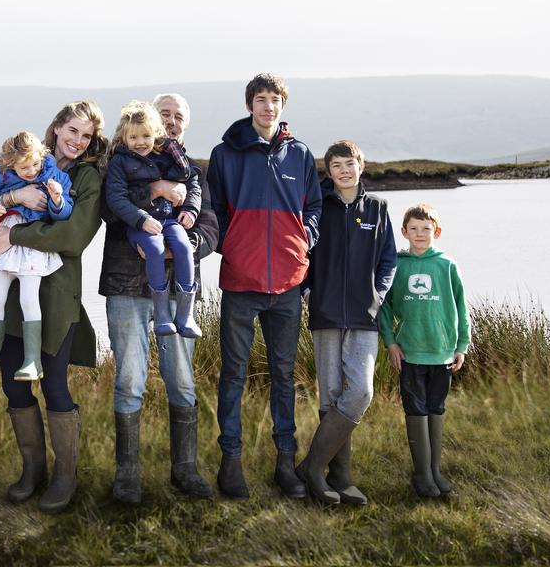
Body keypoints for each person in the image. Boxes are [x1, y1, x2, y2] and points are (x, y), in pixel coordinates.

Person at [207, 73, 322, 499]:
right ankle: (230, 461)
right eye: (260, 99)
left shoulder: (301, 154)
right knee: (233, 374)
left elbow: (313, 207)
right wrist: (230, 246)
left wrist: (305, 240)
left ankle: (285, 463)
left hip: (289, 284)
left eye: (275, 100)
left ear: (282, 107)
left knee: (283, 374)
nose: (268, 107)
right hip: (241, 280)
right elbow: (214, 211)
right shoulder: (224, 154)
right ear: (249, 105)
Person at [99, 92, 218, 504]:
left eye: (177, 115)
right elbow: (110, 209)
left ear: (186, 123)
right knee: (130, 379)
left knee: (182, 381)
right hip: (127, 287)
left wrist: (186, 241)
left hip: (177, 288)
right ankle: (127, 476)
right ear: (149, 120)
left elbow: (210, 229)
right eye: (162, 113)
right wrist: (155, 189)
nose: (170, 120)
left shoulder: (192, 171)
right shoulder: (121, 159)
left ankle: (186, 470)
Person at [0, 100, 106, 513]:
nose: (77, 141)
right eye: (71, 131)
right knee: (13, 382)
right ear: (56, 128)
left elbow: (74, 236)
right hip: (13, 299)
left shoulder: (89, 177)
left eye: (86, 136)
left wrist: (18, 234)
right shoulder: (26, 160)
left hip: (57, 297)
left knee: (55, 385)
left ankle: (64, 477)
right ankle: (32, 470)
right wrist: (13, 196)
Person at [295, 140, 396, 505]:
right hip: (324, 312)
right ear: (329, 171)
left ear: (361, 165)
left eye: (348, 163)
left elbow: (388, 261)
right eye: (335, 165)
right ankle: (339, 477)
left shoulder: (378, 209)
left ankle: (311, 468)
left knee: (361, 392)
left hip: (364, 315)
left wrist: (379, 294)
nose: (343, 171)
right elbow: (300, 251)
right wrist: (307, 291)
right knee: (332, 393)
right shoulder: (317, 206)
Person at [0, 131, 73, 381]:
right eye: (23, 167)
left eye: (35, 164)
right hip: (5, 240)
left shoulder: (52, 175)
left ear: (41, 156)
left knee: (29, 300)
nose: (31, 171)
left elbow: (63, 214)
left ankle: (33, 361)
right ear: (11, 163)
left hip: (32, 241)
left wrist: (57, 199)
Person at [379, 203, 470, 498]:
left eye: (426, 229)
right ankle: (421, 476)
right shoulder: (397, 264)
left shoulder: (446, 265)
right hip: (410, 353)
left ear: (437, 232)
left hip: (441, 352)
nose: (420, 234)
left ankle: (435, 471)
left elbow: (461, 307)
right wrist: (390, 341)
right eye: (414, 229)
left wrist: (461, 345)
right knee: (415, 409)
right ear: (404, 232)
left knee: (436, 409)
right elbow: (383, 305)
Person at [104, 100, 201, 338]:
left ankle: (186, 314)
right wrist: (141, 217)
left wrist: (189, 210)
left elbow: (188, 179)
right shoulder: (118, 162)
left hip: (169, 220)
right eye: (134, 137)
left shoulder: (167, 156)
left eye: (147, 136)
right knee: (155, 248)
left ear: (155, 133)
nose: (140, 142)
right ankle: (162, 314)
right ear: (124, 137)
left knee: (183, 246)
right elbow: (115, 201)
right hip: (141, 226)